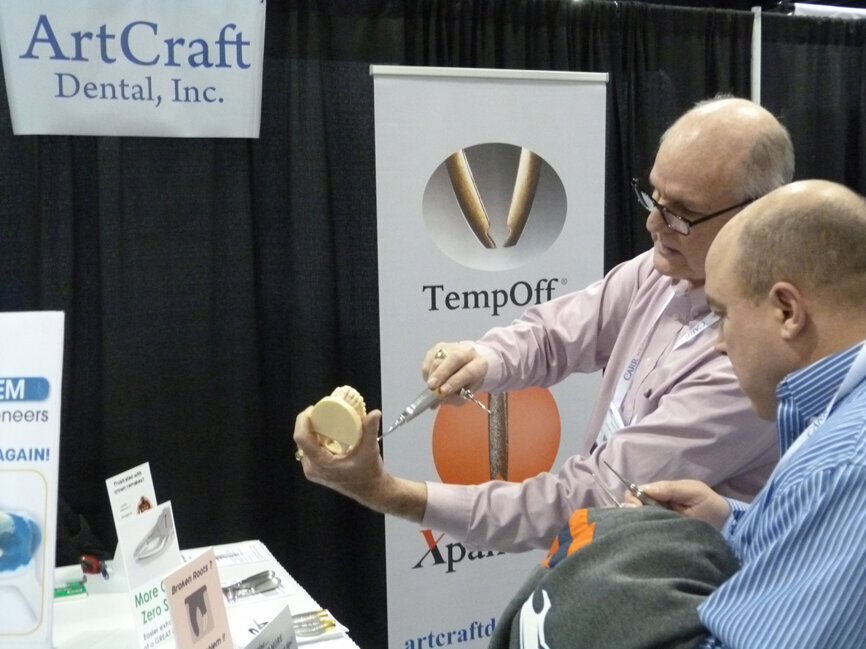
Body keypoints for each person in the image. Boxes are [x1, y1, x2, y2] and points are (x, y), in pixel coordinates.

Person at [294, 96, 794, 552]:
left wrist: (387, 492)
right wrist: (483, 359)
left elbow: (589, 501)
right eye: (654, 198)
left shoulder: (751, 362)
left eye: (682, 213)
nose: (654, 225)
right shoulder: (666, 268)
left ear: (759, 213)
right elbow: (555, 332)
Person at [632, 179, 866, 648]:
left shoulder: (842, 469)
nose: (719, 342)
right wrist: (730, 522)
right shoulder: (836, 429)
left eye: (723, 315)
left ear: (786, 310)